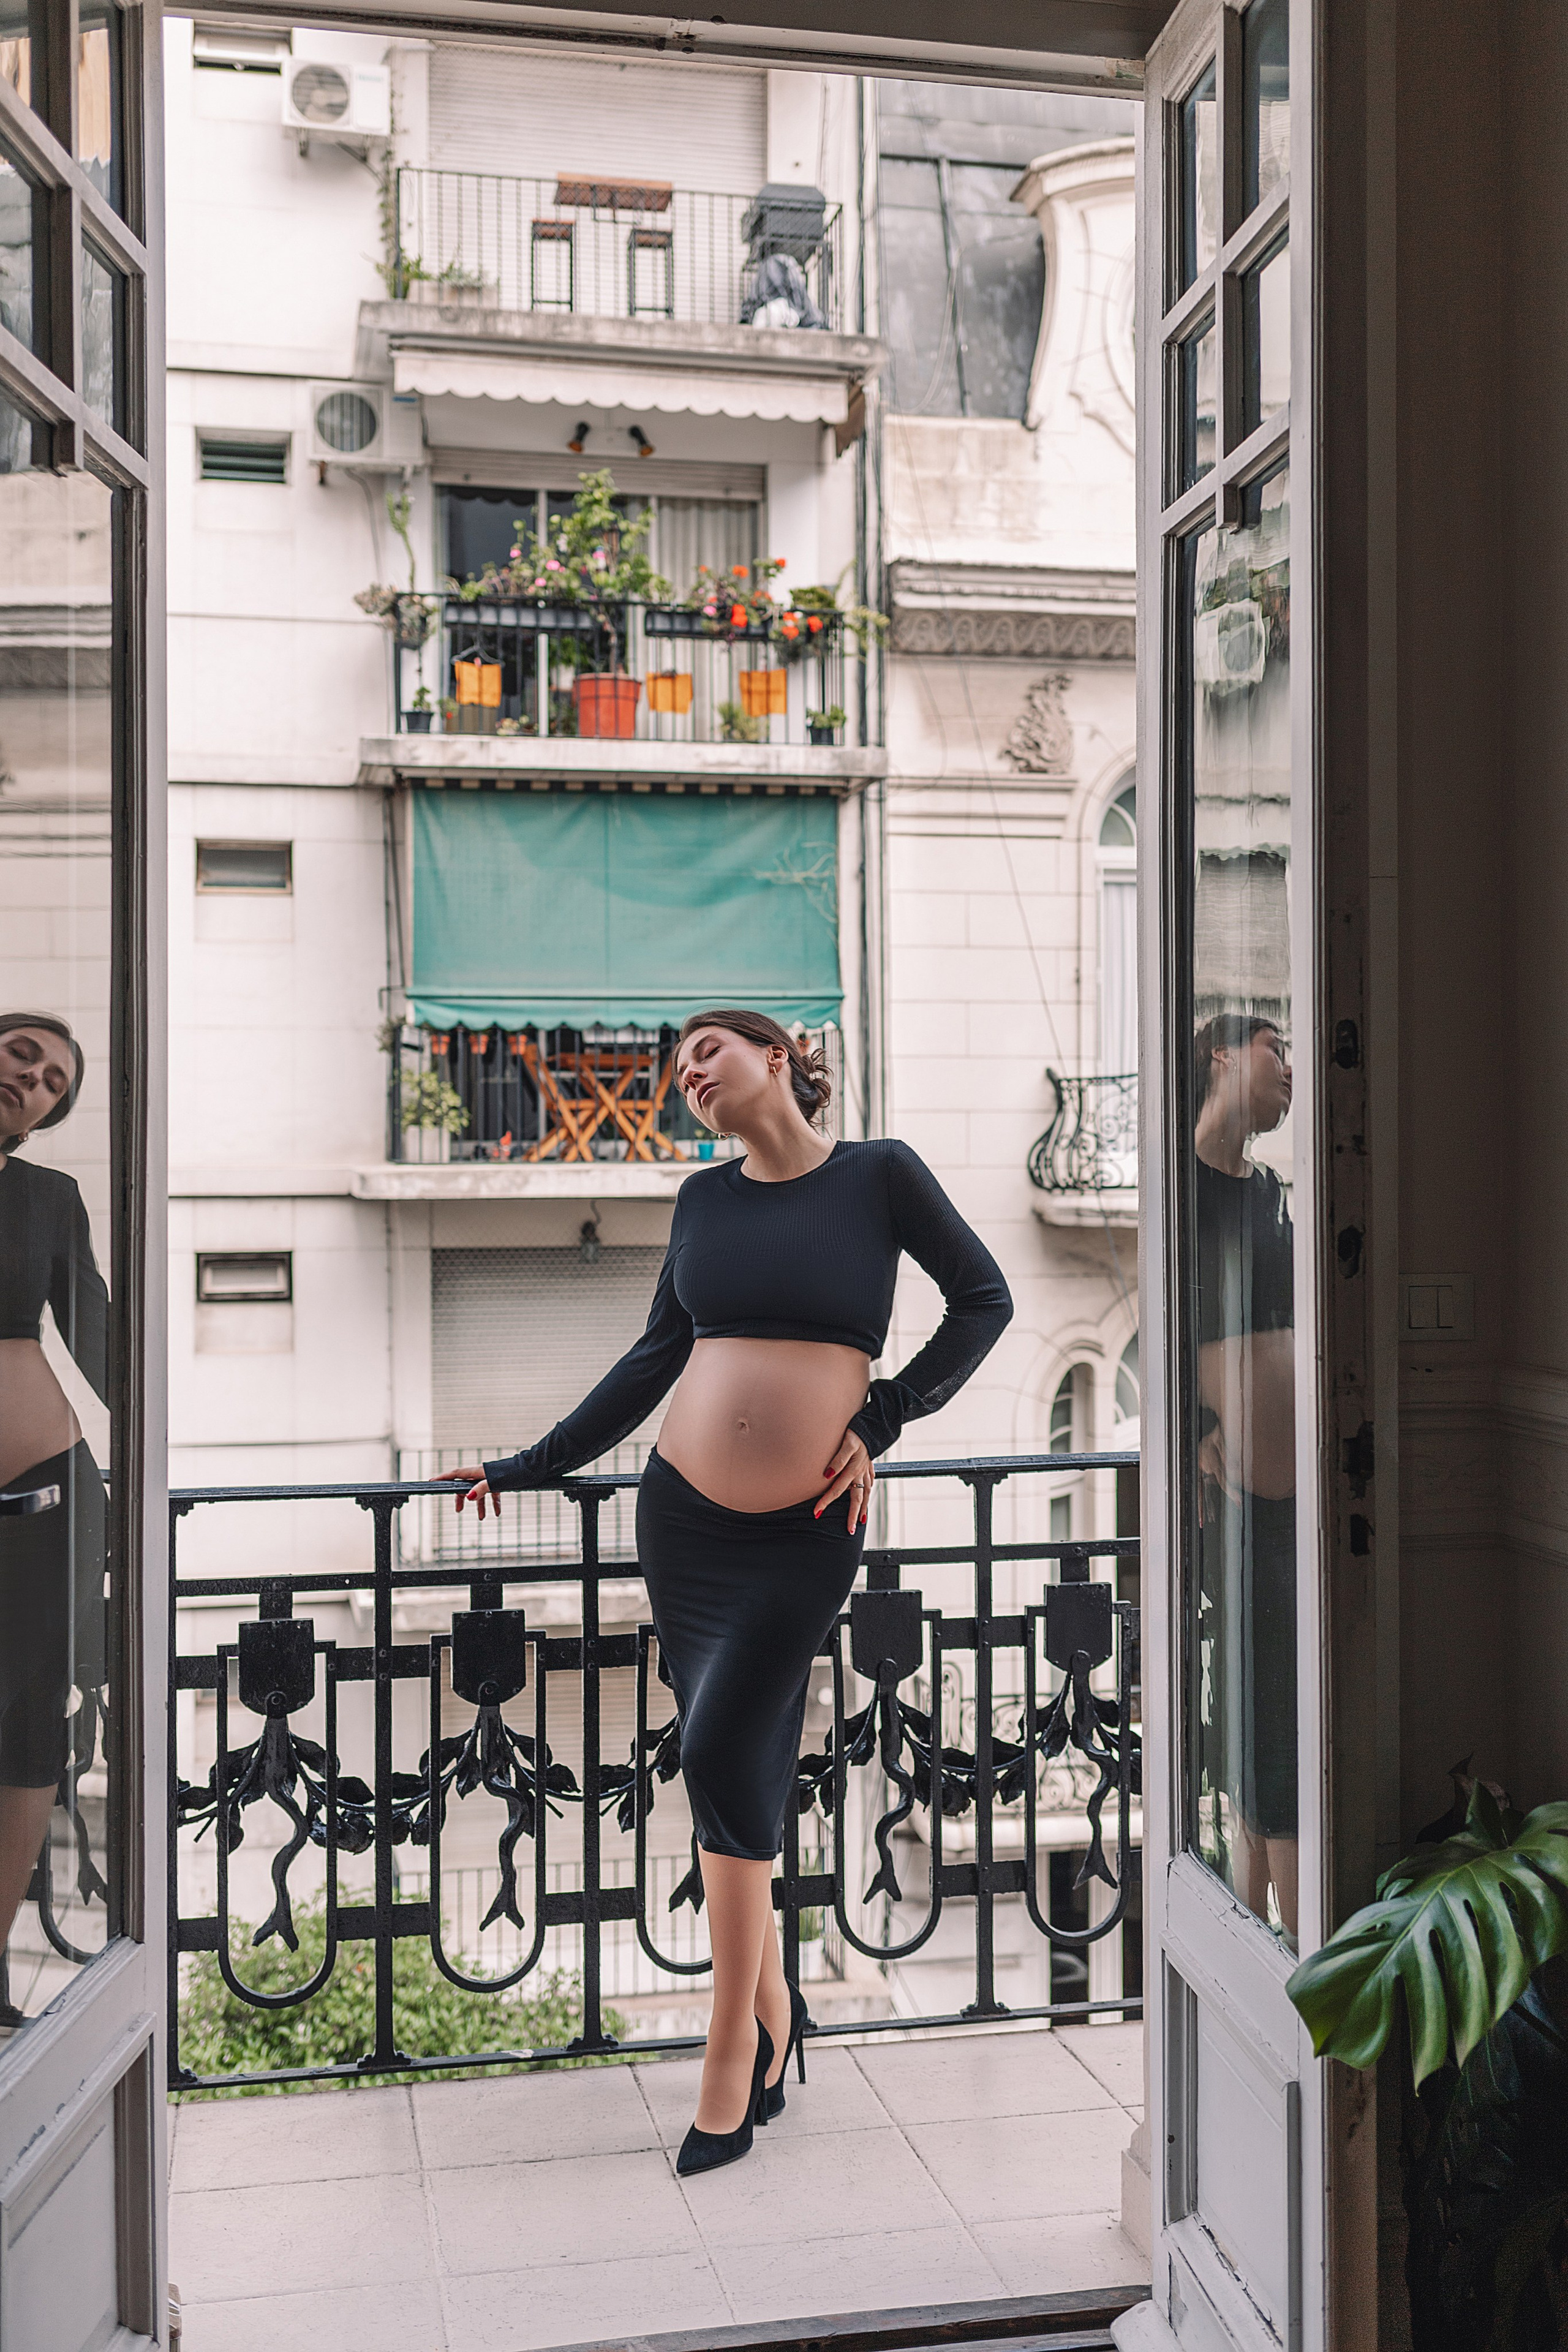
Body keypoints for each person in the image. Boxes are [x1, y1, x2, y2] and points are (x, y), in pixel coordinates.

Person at [438, 1008, 1012, 2174]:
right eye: (678, 1067)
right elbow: (654, 1358)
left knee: (714, 1750)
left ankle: (731, 2045)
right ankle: (774, 2014)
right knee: (727, 1757)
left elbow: (984, 1300)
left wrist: (886, 1417)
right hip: (685, 1523)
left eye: (708, 1050)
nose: (688, 1073)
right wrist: (527, 1463)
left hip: (806, 1529)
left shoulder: (880, 1176)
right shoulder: (702, 1202)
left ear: (777, 1057)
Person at [0, 1015, 110, 2022]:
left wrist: (165, 1447)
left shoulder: (48, 1198)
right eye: (21, 1055)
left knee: (31, 1731)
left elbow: (98, 1336)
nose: (32, 1079)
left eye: (52, 1083)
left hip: (45, 1499)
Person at [1191, 1011, 1297, 1942]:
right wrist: (1194, 1434)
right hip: (1237, 1500)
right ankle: (1274, 1944)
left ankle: (1269, 1941)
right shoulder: (1180, 1192)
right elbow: (1165, 1327)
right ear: (1225, 1054)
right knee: (1262, 1715)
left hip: (1302, 1498)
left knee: (1282, 1711)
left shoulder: (1270, 1191)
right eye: (1278, 1048)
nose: (1292, 1067)